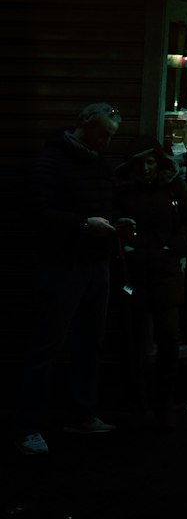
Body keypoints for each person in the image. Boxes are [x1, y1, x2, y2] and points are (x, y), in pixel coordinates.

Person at [13, 103, 126, 455]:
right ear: (85, 125)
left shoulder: (96, 162)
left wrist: (114, 225)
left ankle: (82, 413)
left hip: (95, 262)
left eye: (111, 135)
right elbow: (40, 212)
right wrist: (83, 224)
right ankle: (27, 426)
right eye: (103, 133)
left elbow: (101, 205)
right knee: (47, 343)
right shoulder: (53, 161)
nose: (107, 141)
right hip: (62, 265)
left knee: (89, 341)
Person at [113, 138, 187, 430]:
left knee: (167, 337)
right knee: (136, 339)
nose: (148, 168)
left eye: (151, 162)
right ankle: (140, 401)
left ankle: (163, 402)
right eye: (142, 164)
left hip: (163, 270)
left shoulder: (172, 185)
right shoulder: (124, 187)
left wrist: (173, 247)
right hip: (136, 271)